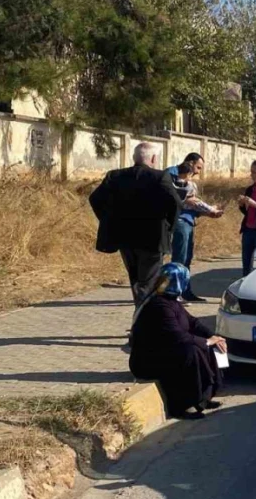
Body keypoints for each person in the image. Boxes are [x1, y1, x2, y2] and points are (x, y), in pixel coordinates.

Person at [90, 142, 181, 309]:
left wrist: (108, 221)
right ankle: (143, 324)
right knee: (148, 284)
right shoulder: (160, 177)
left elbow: (95, 199)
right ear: (153, 158)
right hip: (152, 240)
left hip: (125, 239)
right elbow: (175, 204)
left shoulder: (115, 176)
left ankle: (141, 320)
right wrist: (169, 228)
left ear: (134, 157)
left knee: (136, 281)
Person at [129, 263, 225, 420]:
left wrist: (215, 337)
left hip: (164, 351)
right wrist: (206, 341)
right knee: (191, 351)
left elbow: (193, 323)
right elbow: (177, 337)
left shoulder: (171, 301)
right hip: (147, 361)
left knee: (202, 347)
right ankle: (179, 407)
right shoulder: (159, 305)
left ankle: (202, 399)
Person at [169, 163, 222, 302]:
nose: (197, 173)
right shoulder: (180, 183)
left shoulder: (177, 181)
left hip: (188, 222)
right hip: (181, 223)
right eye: (196, 169)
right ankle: (175, 293)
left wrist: (208, 212)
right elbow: (193, 202)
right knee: (179, 260)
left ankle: (184, 291)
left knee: (185, 259)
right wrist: (211, 209)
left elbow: (192, 207)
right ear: (188, 171)